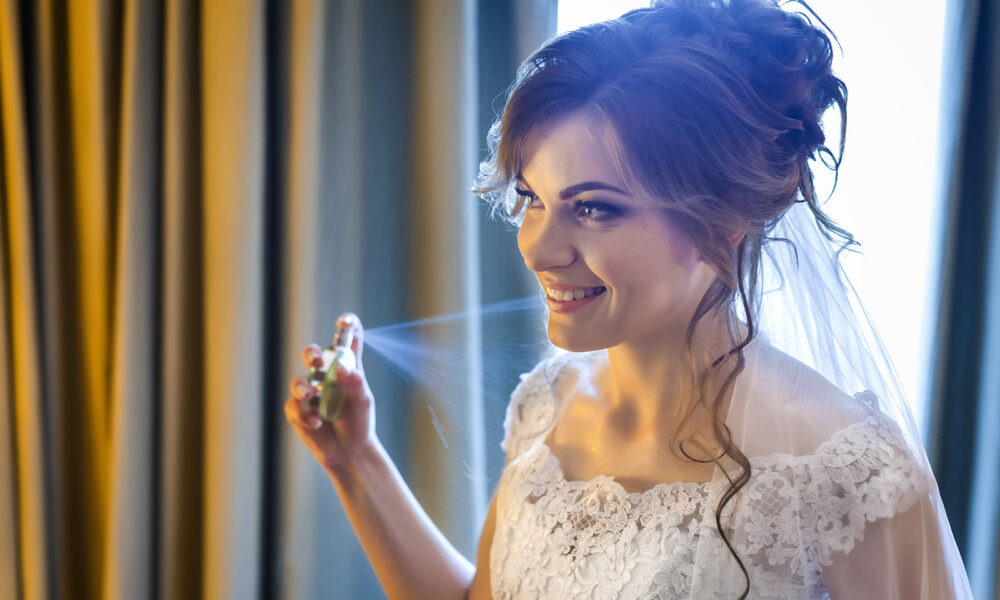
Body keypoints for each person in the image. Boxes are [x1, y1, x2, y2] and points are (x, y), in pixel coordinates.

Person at [285, 0, 973, 597]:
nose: (537, 249)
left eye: (594, 210)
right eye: (532, 199)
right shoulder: (546, 407)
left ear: (724, 221)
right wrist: (356, 461)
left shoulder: (848, 471)